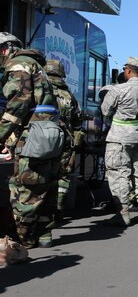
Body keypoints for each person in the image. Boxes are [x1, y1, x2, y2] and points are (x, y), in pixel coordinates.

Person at [0, 32, 60, 248]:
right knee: (46, 182)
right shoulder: (37, 66)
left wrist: (1, 135)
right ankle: (44, 234)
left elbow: (19, 103)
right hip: (49, 132)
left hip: (32, 134)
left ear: (6, 49)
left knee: (24, 185)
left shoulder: (18, 64)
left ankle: (23, 239)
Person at [101, 57, 138, 226]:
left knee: (119, 172)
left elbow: (105, 111)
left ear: (128, 71)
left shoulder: (118, 90)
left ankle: (123, 212)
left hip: (120, 138)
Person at [45, 59, 83, 221]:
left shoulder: (43, 90)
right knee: (63, 176)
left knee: (43, 175)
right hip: (65, 140)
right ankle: (58, 209)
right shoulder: (69, 96)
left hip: (43, 140)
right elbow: (77, 121)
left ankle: (43, 213)